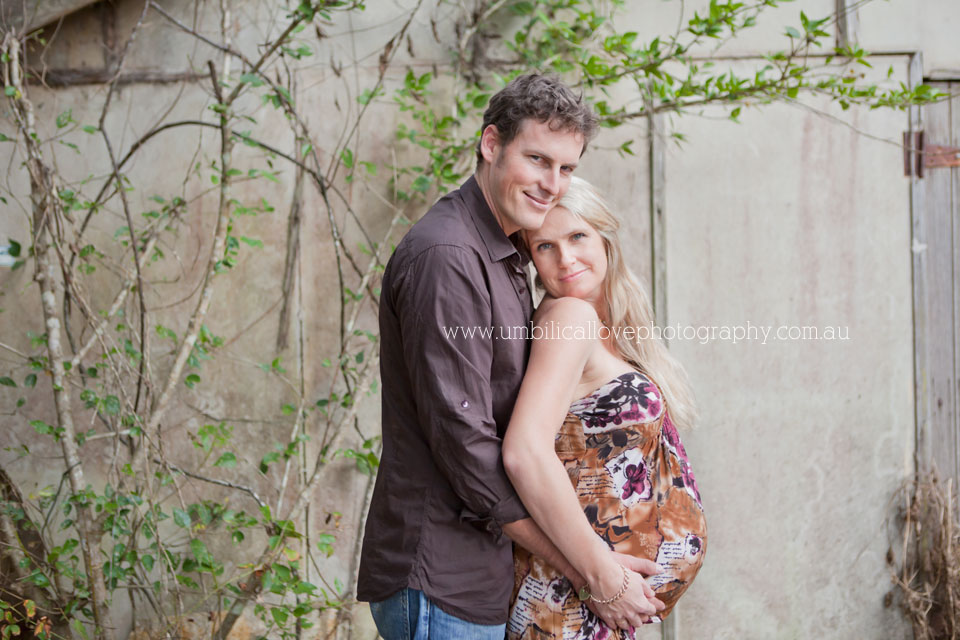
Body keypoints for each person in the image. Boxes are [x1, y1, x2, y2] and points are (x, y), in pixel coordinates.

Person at [357, 75, 664, 639]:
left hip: (479, 578)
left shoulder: (502, 252)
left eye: (566, 168)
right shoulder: (448, 256)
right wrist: (592, 570)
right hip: (439, 578)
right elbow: (466, 443)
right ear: (491, 144)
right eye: (538, 159)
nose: (552, 184)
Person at [503, 177, 707, 638]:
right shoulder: (569, 318)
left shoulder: (606, 323)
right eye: (545, 247)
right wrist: (603, 577)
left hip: (593, 607)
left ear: (604, 236)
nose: (566, 259)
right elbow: (524, 451)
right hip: (568, 602)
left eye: (577, 237)